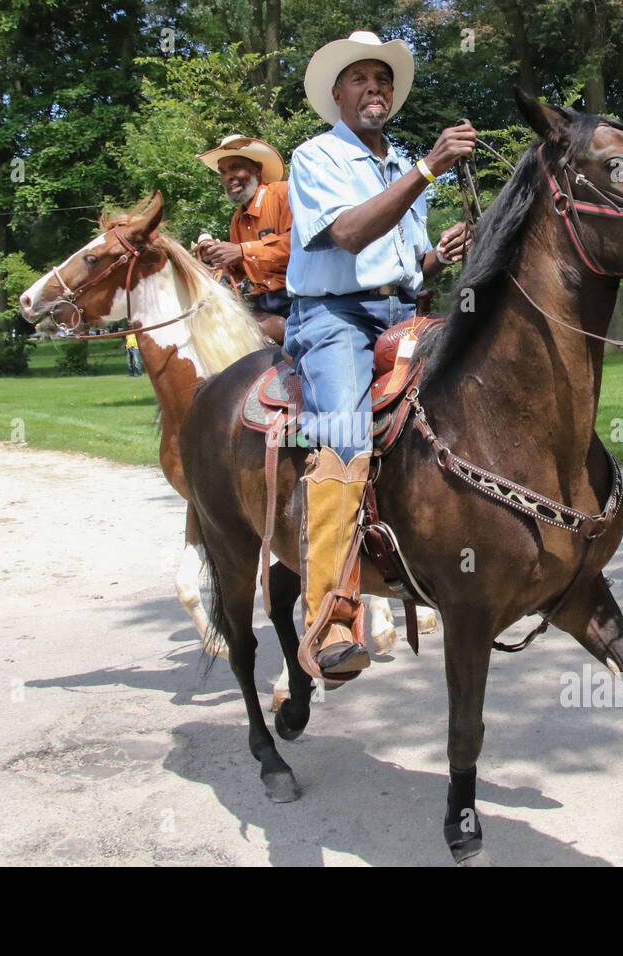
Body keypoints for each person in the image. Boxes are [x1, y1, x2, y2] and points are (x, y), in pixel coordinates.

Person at [285, 31, 472, 679]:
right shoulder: (314, 157)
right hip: (334, 318)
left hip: (401, 311)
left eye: (383, 79)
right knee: (343, 439)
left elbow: (399, 260)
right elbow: (347, 233)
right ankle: (330, 618)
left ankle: (461, 559)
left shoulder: (397, 164)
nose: (375, 89)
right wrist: (429, 171)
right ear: (336, 94)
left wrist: (436, 256)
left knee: (469, 394)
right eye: (360, 78)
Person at [195, 134, 293, 333]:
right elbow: (240, 271)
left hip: (298, 299)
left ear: (257, 169)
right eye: (223, 172)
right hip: (262, 303)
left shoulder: (283, 193)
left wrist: (242, 250)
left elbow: (298, 245)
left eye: (235, 167)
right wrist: (218, 258)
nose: (228, 177)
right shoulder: (237, 219)